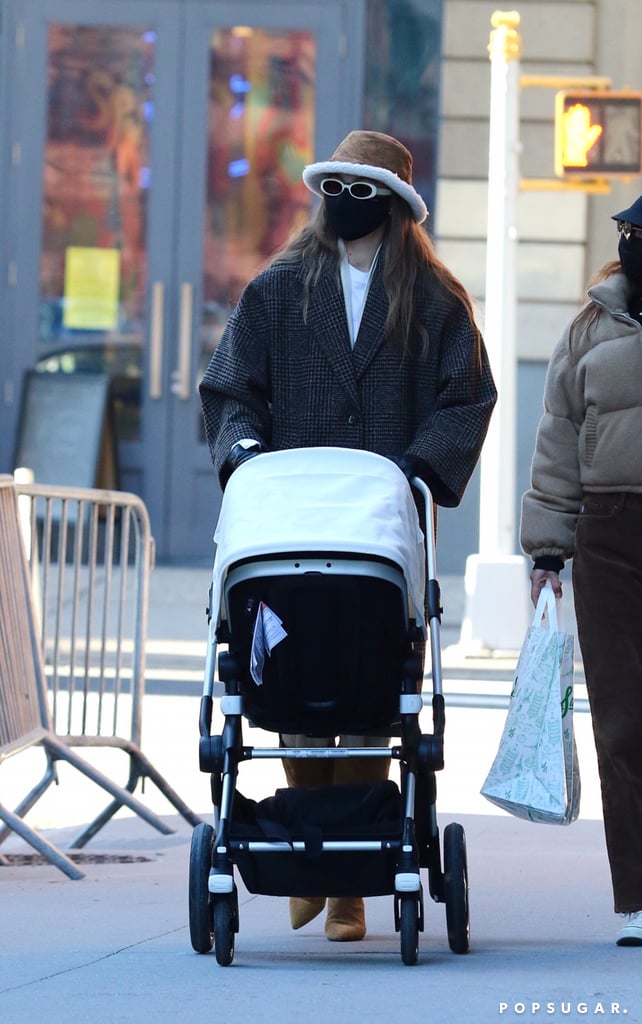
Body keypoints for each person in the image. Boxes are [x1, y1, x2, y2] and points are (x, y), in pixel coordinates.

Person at [199, 129, 497, 942]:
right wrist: (247, 456)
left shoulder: (434, 301)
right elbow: (229, 390)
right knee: (292, 687)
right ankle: (314, 846)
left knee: (373, 695)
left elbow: (468, 398)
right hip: (293, 526)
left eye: (367, 191)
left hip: (380, 537)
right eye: (340, 186)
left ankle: (348, 885)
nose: (349, 204)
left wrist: (417, 471)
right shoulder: (278, 290)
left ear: (396, 207)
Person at [520, 194, 642, 947]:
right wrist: (546, 548)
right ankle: (639, 893)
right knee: (623, 721)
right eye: (630, 235)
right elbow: (556, 440)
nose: (632, 246)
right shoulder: (588, 330)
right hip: (608, 539)